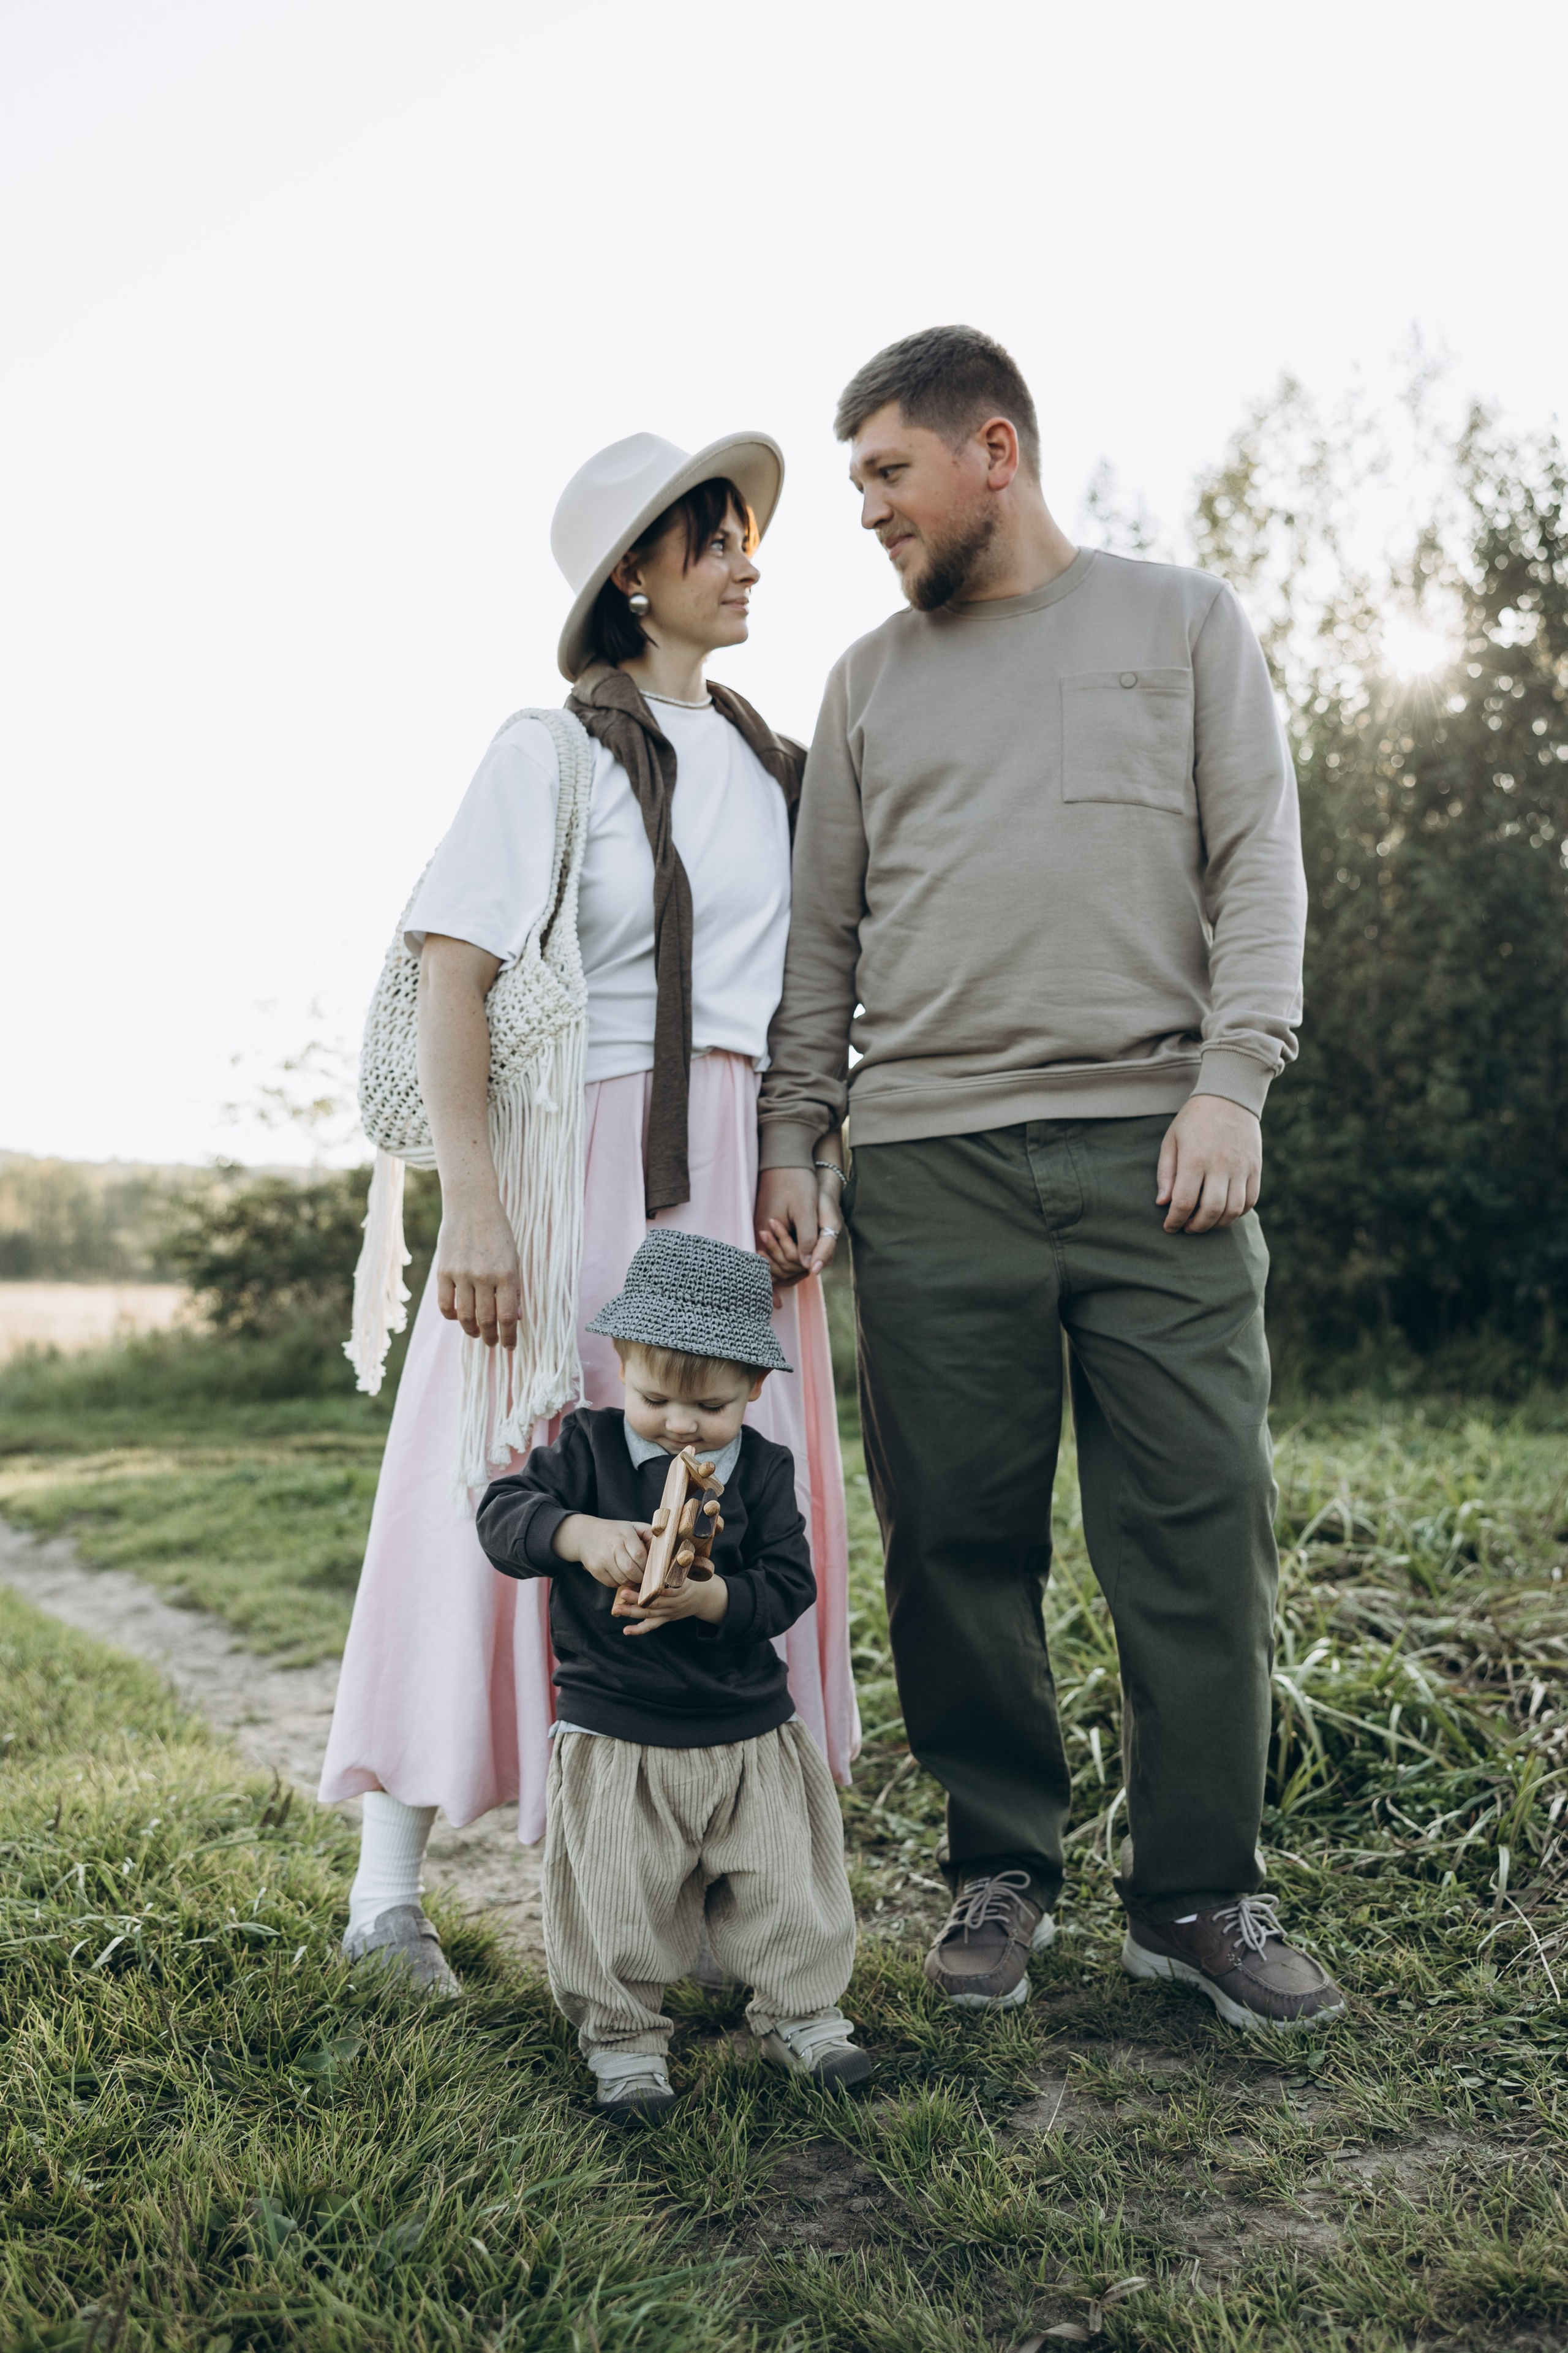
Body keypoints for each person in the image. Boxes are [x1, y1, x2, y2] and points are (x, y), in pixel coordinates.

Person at [756, 326, 1344, 2034]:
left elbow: (1260, 866)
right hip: (929, 1163)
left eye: (888, 472)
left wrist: (1233, 1080)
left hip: (1164, 1155)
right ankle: (999, 1865)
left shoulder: (1184, 621)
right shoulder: (865, 682)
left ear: (991, 452)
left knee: (1198, 1528)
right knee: (954, 1539)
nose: (867, 509)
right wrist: (796, 1133)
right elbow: (821, 940)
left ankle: (1197, 1894)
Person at [320, 431, 858, 1993]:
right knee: (494, 1469)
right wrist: (475, 1210)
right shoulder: (543, 755)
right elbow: (455, 976)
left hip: (730, 1173)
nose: (746, 559)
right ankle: (388, 1892)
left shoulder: (776, 769)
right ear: (632, 571)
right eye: (711, 536)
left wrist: (801, 1153)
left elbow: (803, 1001)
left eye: (746, 533)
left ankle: (709, 1884)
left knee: (728, 1491)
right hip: (570, 1170)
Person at [475, 1228, 868, 2116]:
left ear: (755, 1388)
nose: (682, 1423)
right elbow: (503, 1516)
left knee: (785, 1885)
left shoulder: (763, 1470)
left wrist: (710, 1598)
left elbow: (789, 1584)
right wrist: (577, 1533)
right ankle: (623, 2044)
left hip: (748, 1728)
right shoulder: (586, 1451)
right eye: (655, 1399)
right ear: (620, 1365)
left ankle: (802, 2015)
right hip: (616, 1729)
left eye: (712, 1406)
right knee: (616, 1896)